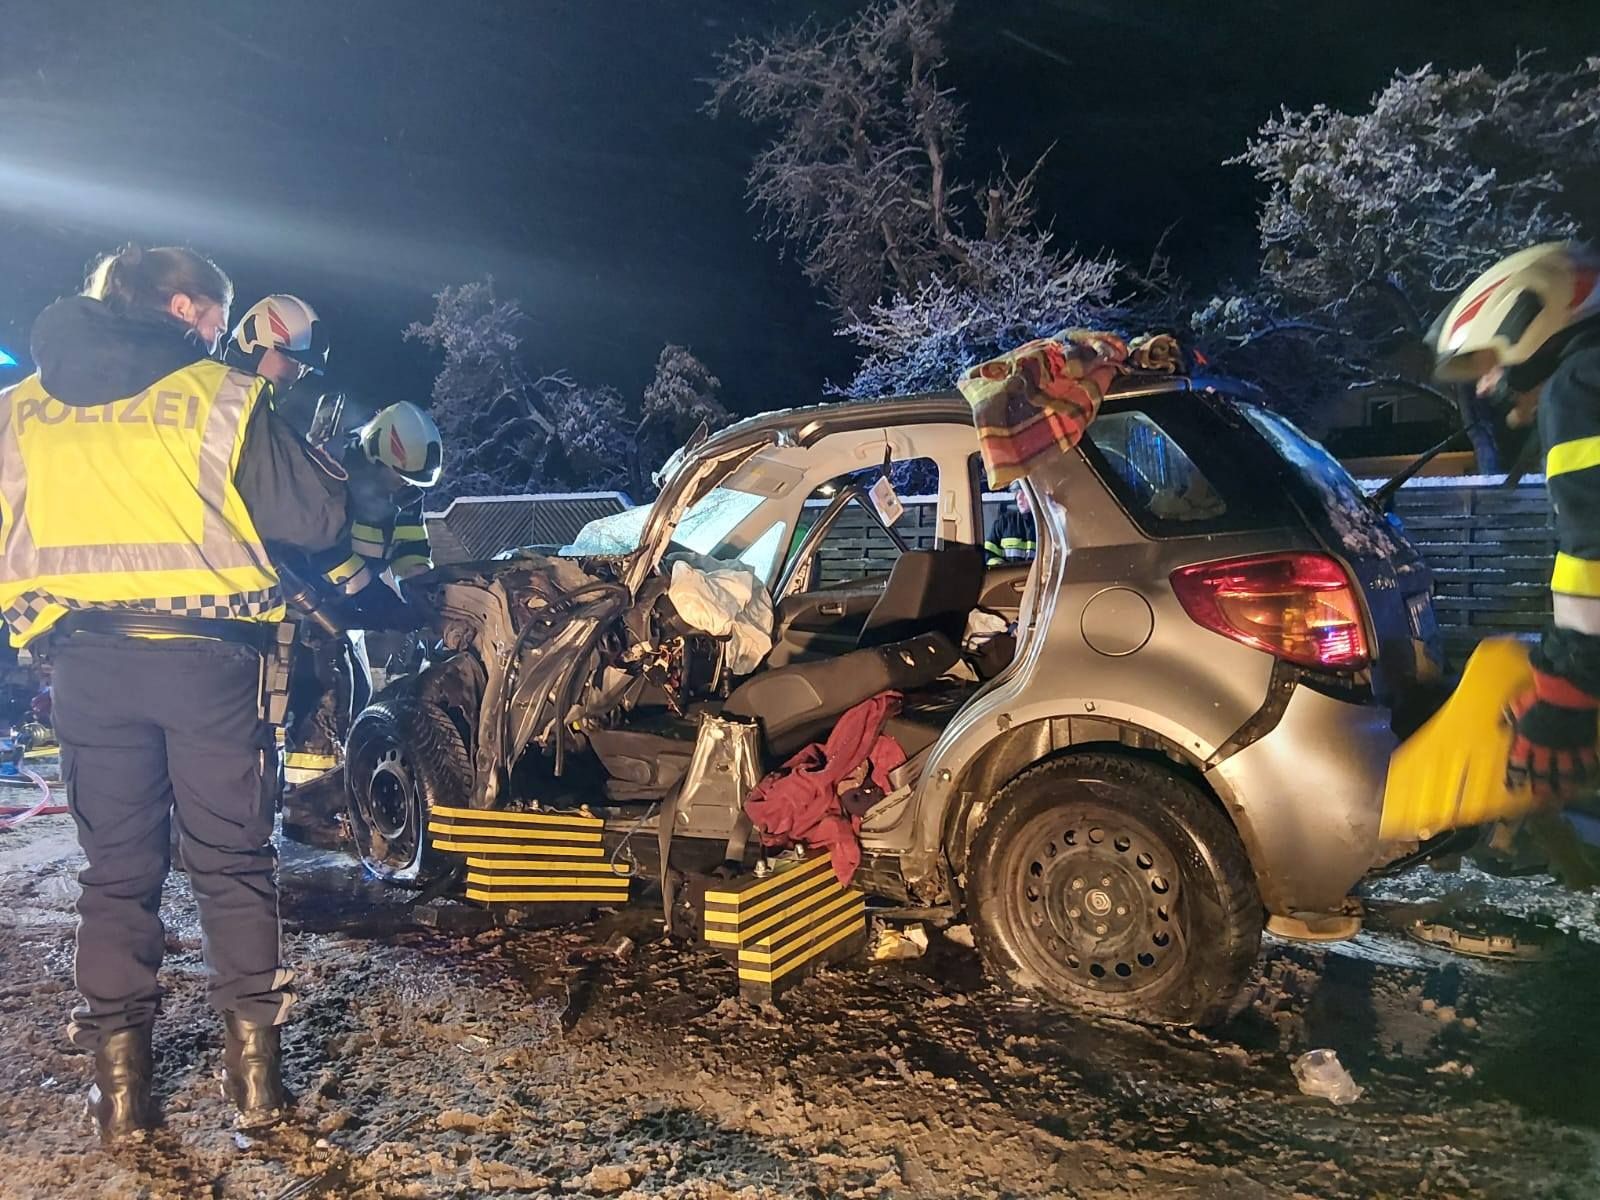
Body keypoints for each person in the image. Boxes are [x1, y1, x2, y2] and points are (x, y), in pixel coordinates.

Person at [0, 246, 348, 1140]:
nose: (220, 332)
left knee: (115, 875)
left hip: (86, 665)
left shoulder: (20, 408)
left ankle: (121, 1094)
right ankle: (256, 1086)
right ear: (185, 306)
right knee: (231, 864)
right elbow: (316, 519)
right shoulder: (219, 394)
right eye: (216, 314)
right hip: (210, 666)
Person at [1432, 241, 1600, 802]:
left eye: (1493, 364)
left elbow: (1594, 555)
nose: (1486, 387)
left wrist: (1569, 689)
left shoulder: (1579, 387)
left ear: (1530, 322)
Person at [309, 400, 442, 613]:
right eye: (402, 476)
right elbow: (323, 550)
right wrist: (374, 597)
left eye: (412, 480)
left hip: (354, 600)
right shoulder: (334, 478)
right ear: (377, 457)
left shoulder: (406, 494)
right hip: (312, 602)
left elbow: (410, 545)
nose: (406, 484)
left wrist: (421, 584)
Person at [984, 479, 1037, 566]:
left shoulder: (1047, 526)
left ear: (1036, 493)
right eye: (1016, 492)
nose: (1019, 497)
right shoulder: (1004, 522)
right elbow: (988, 554)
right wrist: (1004, 571)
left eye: (1024, 492)